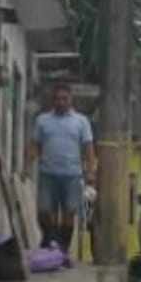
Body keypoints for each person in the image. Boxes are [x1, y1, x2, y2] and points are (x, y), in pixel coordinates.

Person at [28, 83, 96, 253]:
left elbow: (88, 148)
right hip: (47, 174)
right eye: (57, 99)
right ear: (53, 100)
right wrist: (26, 165)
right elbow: (35, 145)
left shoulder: (81, 121)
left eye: (64, 99)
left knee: (69, 213)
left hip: (72, 176)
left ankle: (63, 249)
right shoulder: (42, 120)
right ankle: (49, 239)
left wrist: (90, 172)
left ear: (70, 100)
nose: (61, 102)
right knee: (44, 211)